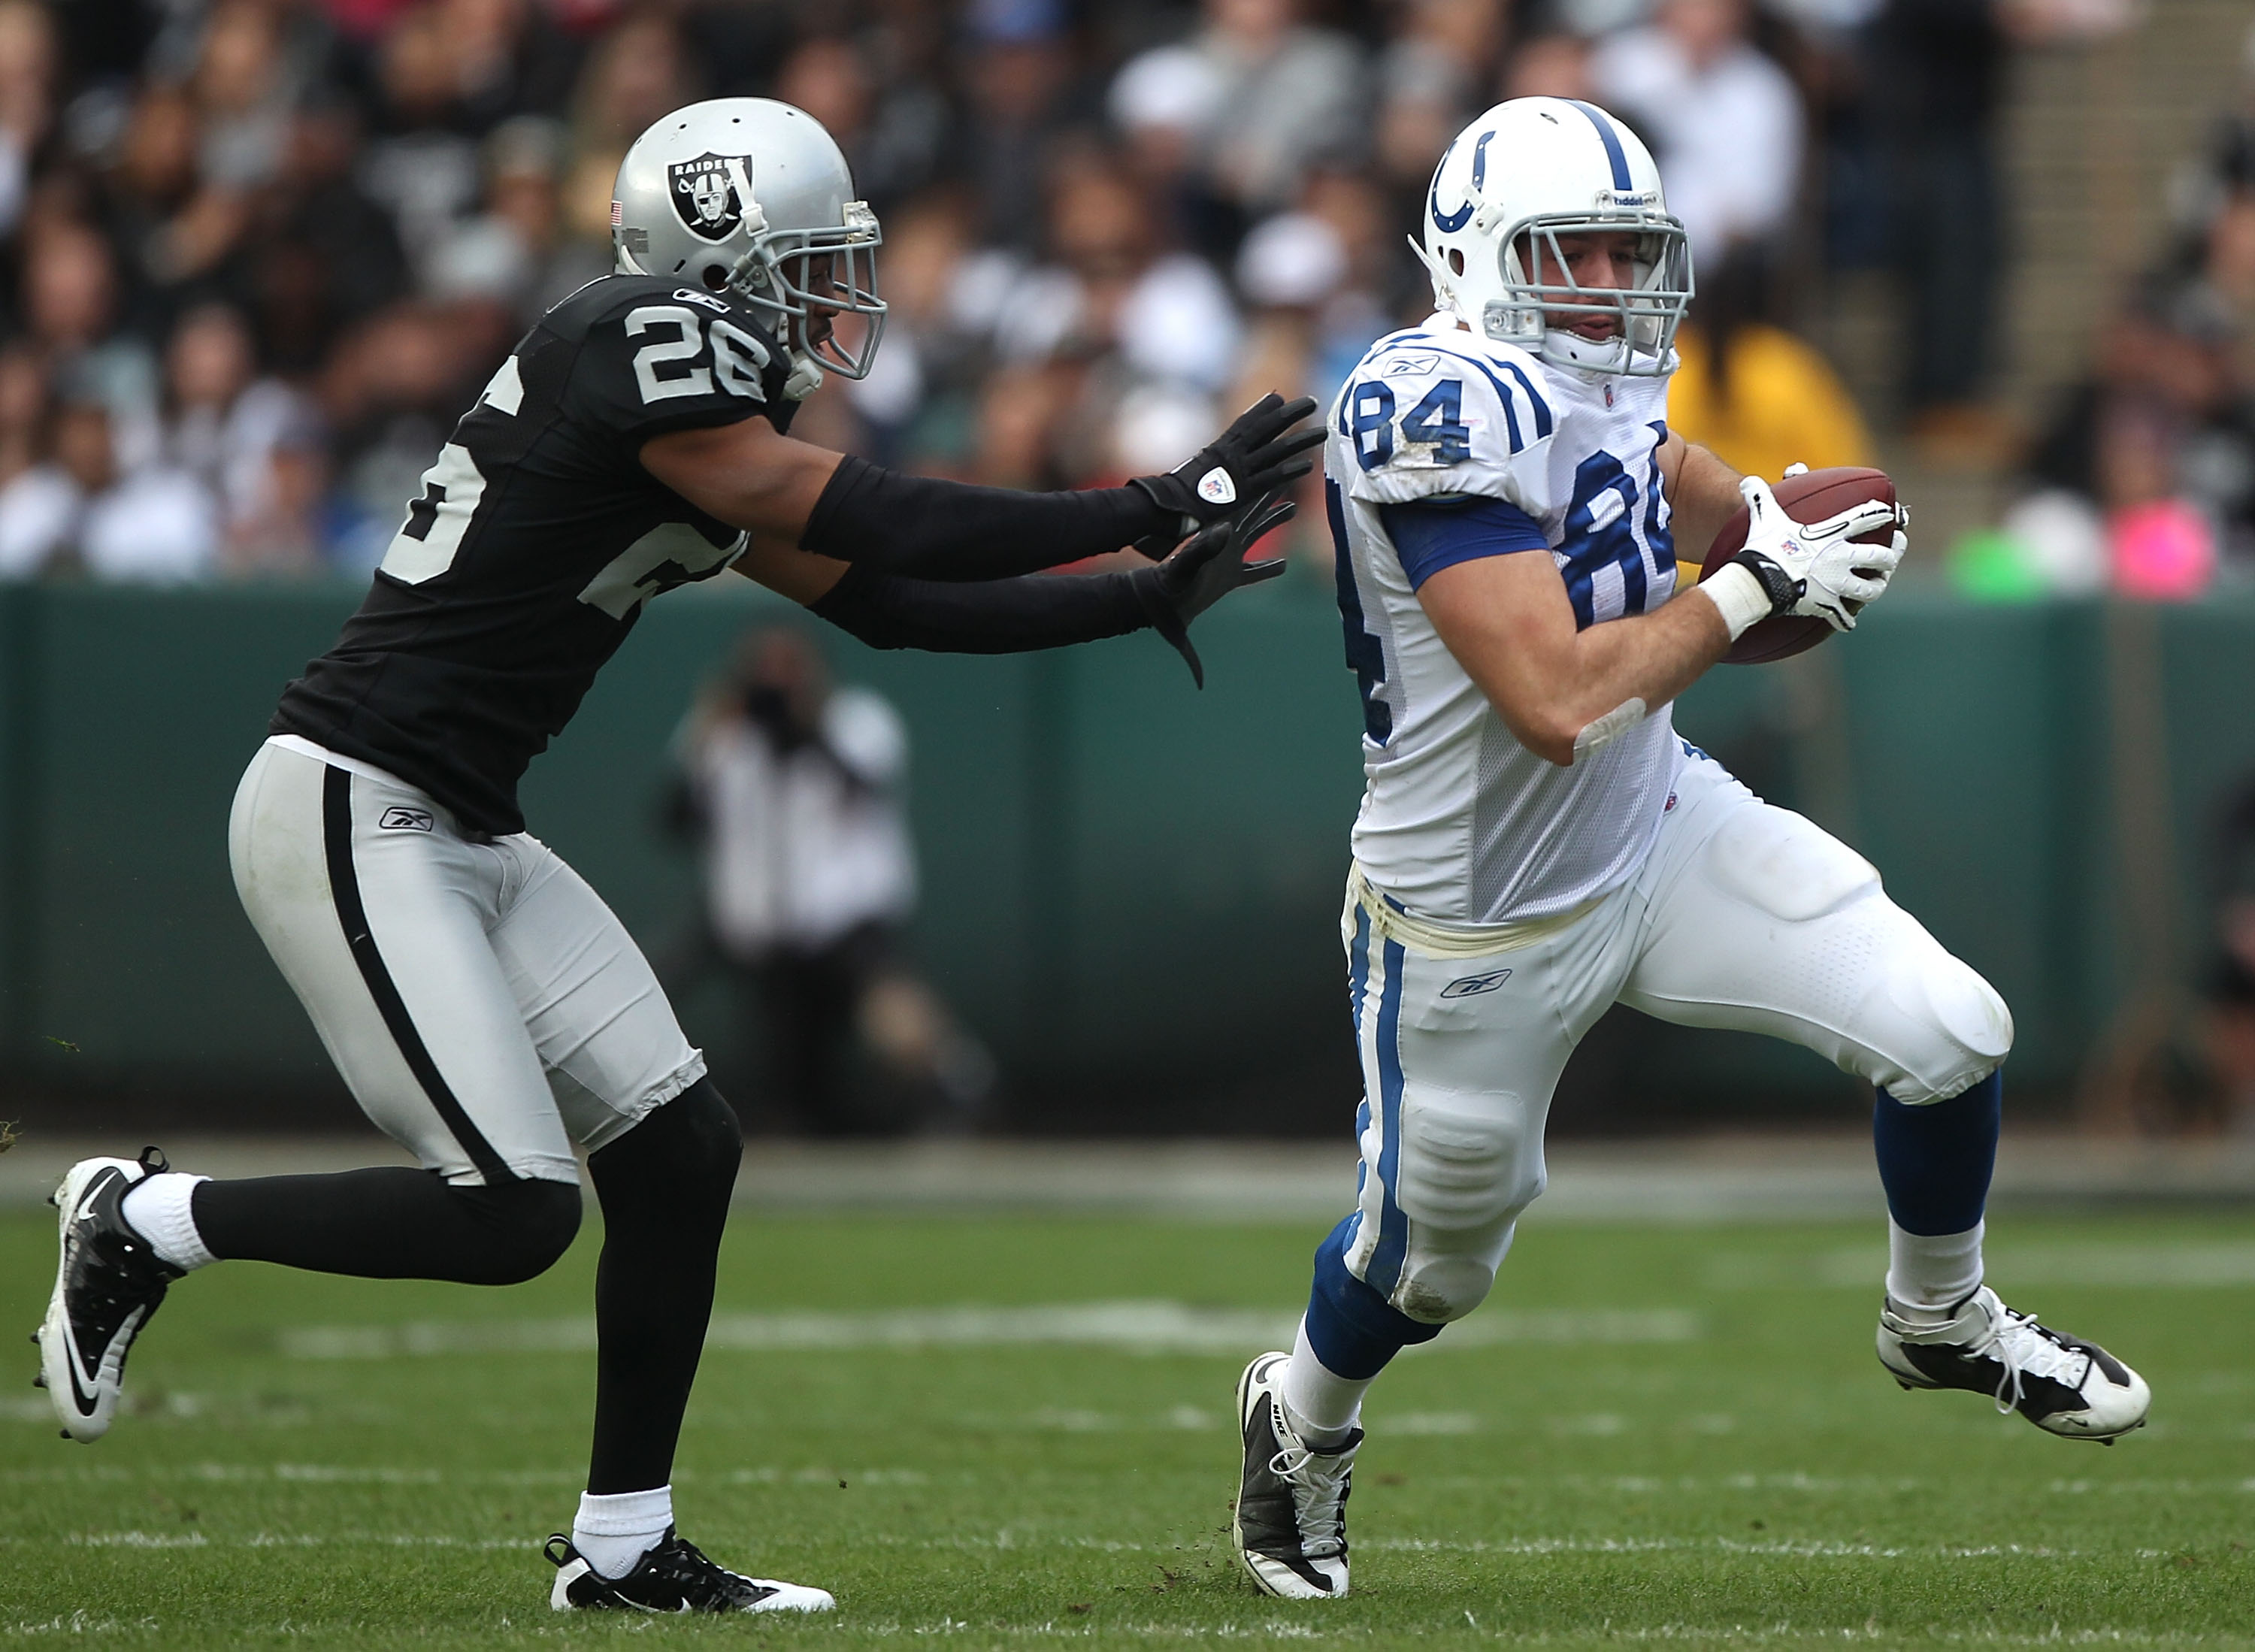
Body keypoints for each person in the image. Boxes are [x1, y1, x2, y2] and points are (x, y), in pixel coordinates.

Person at [35, 95, 1316, 1616]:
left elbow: (891, 601)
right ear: (718, 255)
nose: (835, 296)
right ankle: (144, 1222)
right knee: (513, 1208)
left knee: (680, 1145)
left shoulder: (691, 419)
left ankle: (625, 1547)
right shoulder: (632, 339)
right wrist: (1150, 498)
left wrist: (1140, 592)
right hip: (354, 801)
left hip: (459, 818)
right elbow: (869, 513)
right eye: (809, 262)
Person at [1229, 96, 2151, 1602]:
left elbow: (1663, 474)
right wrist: (1749, 587)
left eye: (1625, 250)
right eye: (1569, 251)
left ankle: (1941, 1316)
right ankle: (1303, 1415)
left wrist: (1769, 523)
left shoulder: (1594, 372)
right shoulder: (1424, 403)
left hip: (1656, 821)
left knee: (1949, 1028)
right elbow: (1551, 701)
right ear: (1471, 255)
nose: (1607, 282)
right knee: (1429, 1263)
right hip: (1472, 909)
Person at [672, 626, 987, 1135]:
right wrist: (709, 733)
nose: (776, 686)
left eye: (789, 671)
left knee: (889, 1007)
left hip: (847, 916)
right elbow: (676, 820)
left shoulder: (857, 720)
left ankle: (952, 1088)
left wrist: (808, 723)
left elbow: (867, 786)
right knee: (667, 985)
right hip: (753, 925)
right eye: (763, 672)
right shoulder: (725, 735)